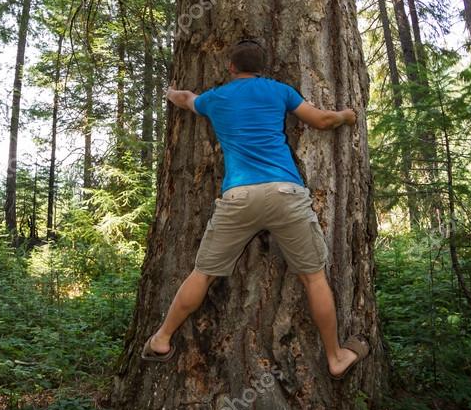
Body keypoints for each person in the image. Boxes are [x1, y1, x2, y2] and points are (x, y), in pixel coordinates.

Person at [141, 38, 369, 380]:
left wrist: (171, 93)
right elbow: (321, 120)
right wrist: (347, 116)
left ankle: (161, 338)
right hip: (285, 192)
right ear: (261, 67)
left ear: (231, 68)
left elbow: (186, 99)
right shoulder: (279, 91)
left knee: (202, 272)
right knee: (313, 277)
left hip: (239, 196)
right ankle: (336, 356)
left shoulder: (217, 98)